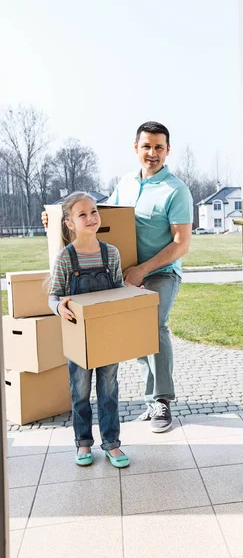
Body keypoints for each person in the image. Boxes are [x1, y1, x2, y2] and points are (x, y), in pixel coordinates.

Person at [43, 121, 193, 433]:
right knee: (135, 332)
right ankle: (151, 403)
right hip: (123, 273)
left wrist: (142, 270)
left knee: (154, 324)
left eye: (159, 147)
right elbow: (99, 218)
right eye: (146, 146)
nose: (152, 153)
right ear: (136, 148)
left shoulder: (176, 190)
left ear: (168, 150)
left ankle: (162, 401)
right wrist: (56, 218)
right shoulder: (125, 183)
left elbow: (181, 244)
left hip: (161, 273)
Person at [49, 191, 130, 468]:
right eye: (82, 214)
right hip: (79, 339)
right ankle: (83, 442)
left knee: (109, 390)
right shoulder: (65, 258)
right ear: (70, 223)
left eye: (93, 211)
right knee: (80, 391)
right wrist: (59, 308)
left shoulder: (111, 253)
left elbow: (118, 288)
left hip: (106, 336)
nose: (91, 217)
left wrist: (133, 294)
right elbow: (54, 296)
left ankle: (112, 443)